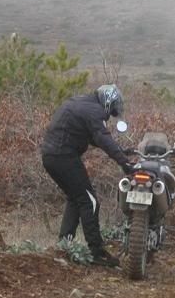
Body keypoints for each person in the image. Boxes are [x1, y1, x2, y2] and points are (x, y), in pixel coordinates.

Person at [41, 84, 134, 267]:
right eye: (112, 109)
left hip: (50, 156)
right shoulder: (94, 110)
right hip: (64, 156)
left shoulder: (81, 102)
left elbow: (94, 137)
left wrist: (120, 151)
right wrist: (125, 162)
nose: (111, 113)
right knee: (90, 201)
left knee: (76, 198)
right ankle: (96, 252)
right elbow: (103, 138)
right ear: (108, 101)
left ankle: (65, 245)